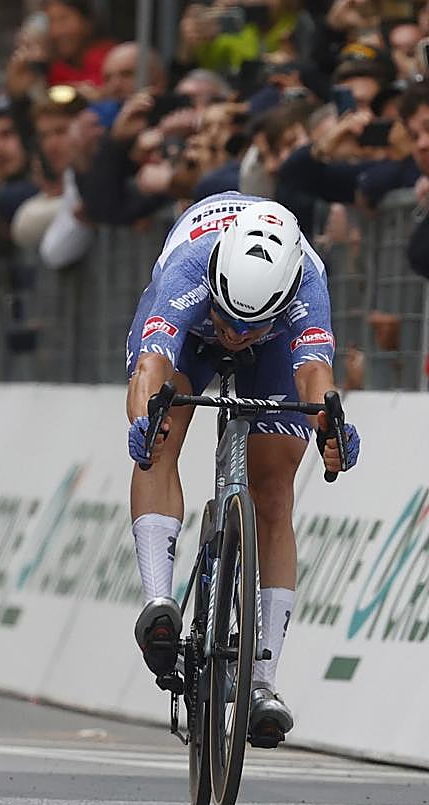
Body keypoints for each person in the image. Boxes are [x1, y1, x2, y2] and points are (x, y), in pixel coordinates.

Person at [124, 193, 361, 748]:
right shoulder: (190, 266)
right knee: (160, 436)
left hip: (275, 348)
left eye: (247, 327)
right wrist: (142, 419)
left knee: (274, 494)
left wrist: (331, 427)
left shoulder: (306, 285)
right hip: (189, 331)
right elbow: (153, 363)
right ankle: (158, 602)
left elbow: (315, 375)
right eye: (228, 320)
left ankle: (263, 681)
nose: (234, 335)